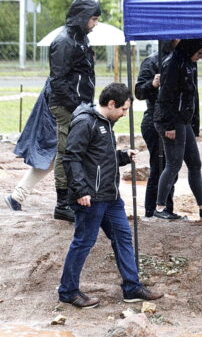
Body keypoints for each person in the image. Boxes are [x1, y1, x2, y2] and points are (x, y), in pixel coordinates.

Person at [58, 83, 163, 308]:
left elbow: (99, 157)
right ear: (112, 104)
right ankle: (68, 291)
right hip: (90, 198)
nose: (125, 114)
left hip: (110, 196)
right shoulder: (85, 122)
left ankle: (131, 287)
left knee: (123, 237)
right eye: (124, 109)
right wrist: (80, 191)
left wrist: (123, 156)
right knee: (83, 242)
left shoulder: (106, 123)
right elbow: (71, 158)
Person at [154, 38, 202, 219]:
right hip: (171, 121)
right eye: (200, 53)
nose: (201, 57)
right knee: (173, 164)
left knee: (195, 163)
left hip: (183, 121)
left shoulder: (189, 63)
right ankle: (159, 208)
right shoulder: (174, 63)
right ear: (191, 49)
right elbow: (166, 96)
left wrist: (192, 124)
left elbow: (191, 96)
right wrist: (169, 125)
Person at [48, 0, 102, 223]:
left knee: (78, 150)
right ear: (83, 17)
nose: (96, 23)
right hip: (67, 106)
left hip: (81, 104)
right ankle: (62, 203)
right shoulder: (64, 41)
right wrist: (77, 107)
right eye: (94, 19)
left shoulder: (81, 39)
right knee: (67, 152)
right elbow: (58, 81)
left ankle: (76, 197)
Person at [135, 40, 180, 219]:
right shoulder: (152, 61)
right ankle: (152, 211)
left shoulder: (180, 60)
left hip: (174, 123)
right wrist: (152, 85)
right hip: (155, 122)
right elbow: (138, 92)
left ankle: (166, 208)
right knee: (159, 168)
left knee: (171, 169)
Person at [4, 79, 57, 211]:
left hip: (57, 111)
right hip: (58, 113)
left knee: (53, 158)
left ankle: (17, 196)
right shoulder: (67, 67)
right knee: (61, 157)